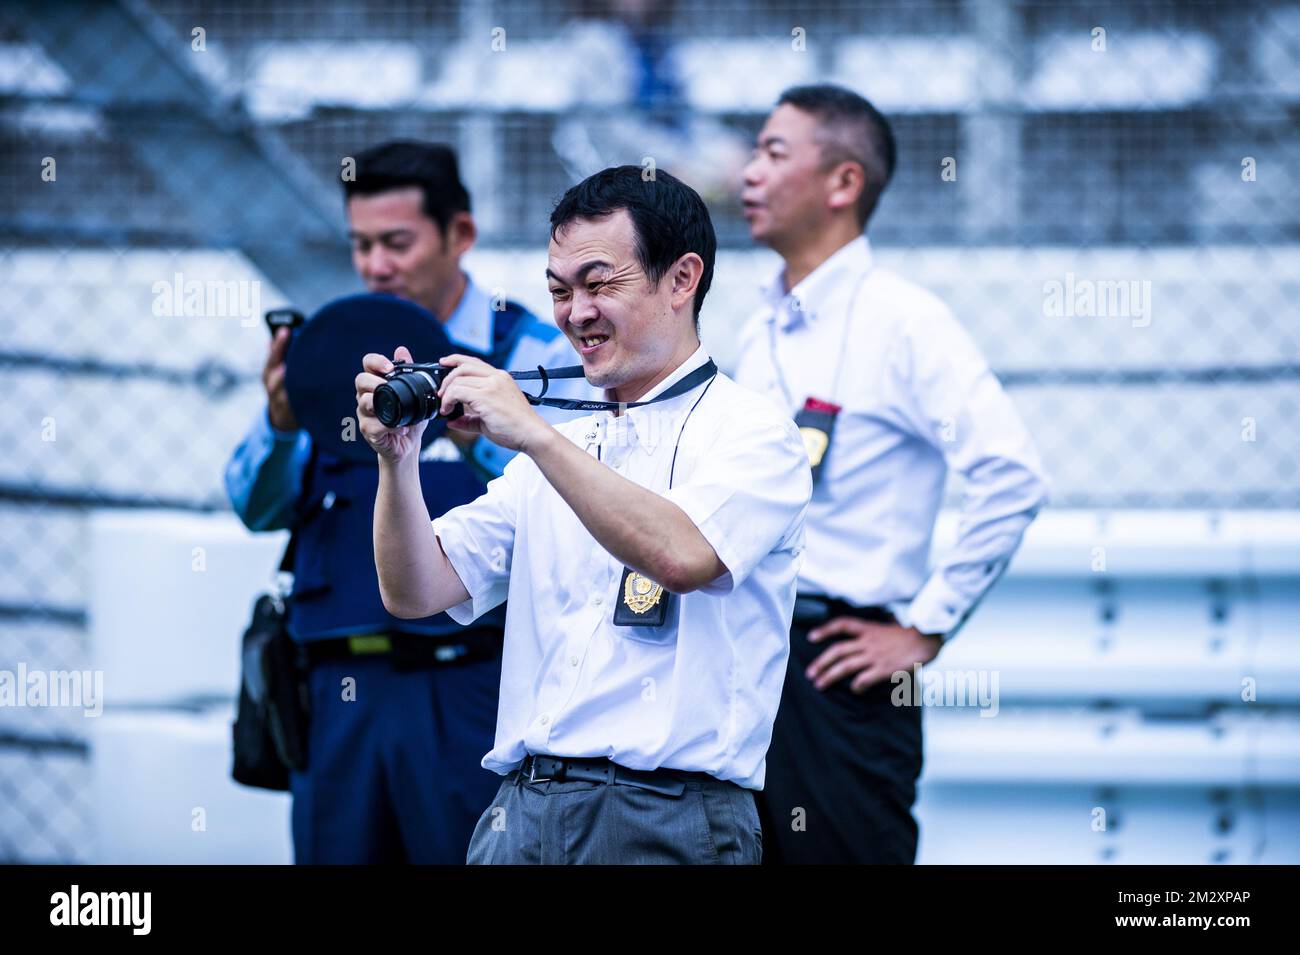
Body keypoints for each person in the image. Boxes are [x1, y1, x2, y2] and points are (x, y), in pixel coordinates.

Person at [354, 166, 812, 864]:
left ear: (683, 278)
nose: (575, 313)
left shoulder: (754, 432)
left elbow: (683, 555)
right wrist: (397, 458)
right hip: (519, 806)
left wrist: (533, 432)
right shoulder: (561, 439)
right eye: (560, 291)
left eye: (599, 285)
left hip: (667, 813)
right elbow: (415, 589)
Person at [224, 140, 590, 864]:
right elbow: (253, 505)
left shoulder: (536, 350)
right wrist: (280, 422)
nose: (375, 266)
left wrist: (471, 428)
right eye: (361, 244)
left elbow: (580, 495)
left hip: (473, 689)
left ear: (460, 235)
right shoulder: (335, 353)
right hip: (335, 697)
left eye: (396, 242)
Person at [733, 85, 1050, 864]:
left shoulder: (905, 321)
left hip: (837, 671)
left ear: (843, 183)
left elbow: (1012, 475)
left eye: (774, 152)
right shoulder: (756, 326)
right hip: (740, 658)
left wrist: (927, 625)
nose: (747, 173)